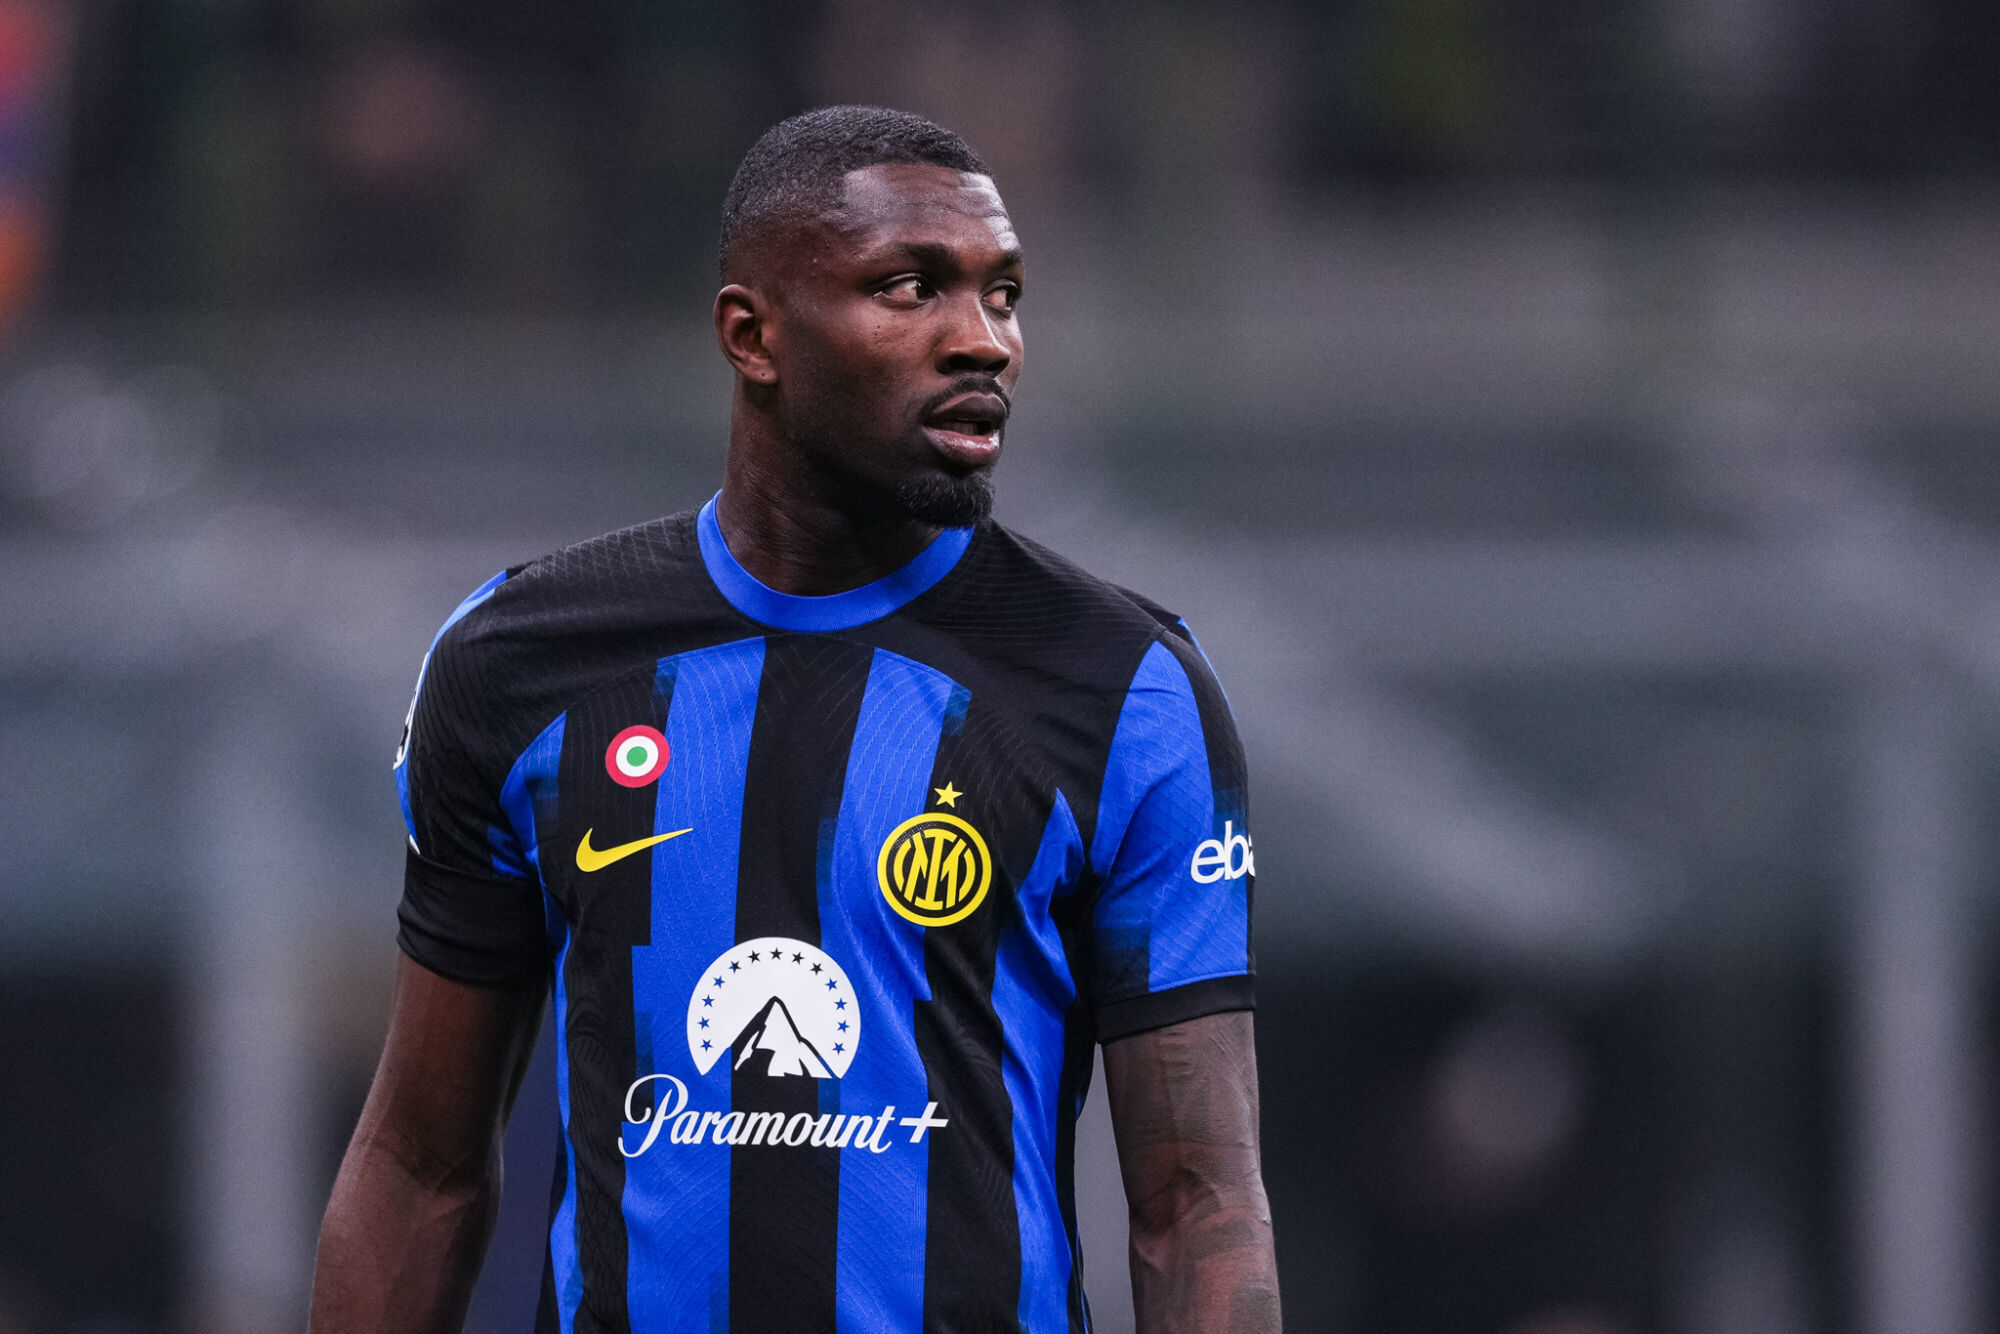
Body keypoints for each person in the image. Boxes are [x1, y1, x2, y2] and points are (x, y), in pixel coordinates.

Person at [309, 105, 1280, 1334]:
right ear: (751, 334)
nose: (980, 339)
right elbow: (420, 1162)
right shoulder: (519, 663)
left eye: (1002, 294)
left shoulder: (1121, 687)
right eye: (909, 288)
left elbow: (1197, 1204)